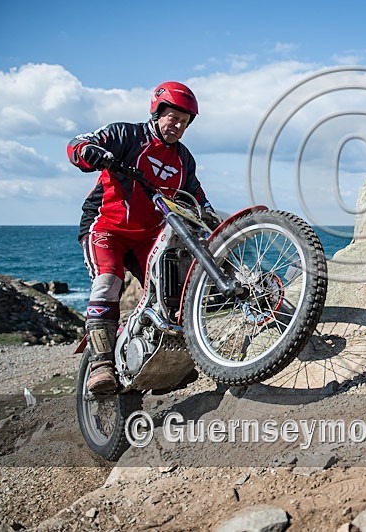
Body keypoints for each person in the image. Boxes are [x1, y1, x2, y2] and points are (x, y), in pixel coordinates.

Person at [67, 81, 220, 393]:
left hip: (148, 237)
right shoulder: (127, 134)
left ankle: (161, 362)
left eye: (184, 121)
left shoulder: (183, 159)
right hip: (105, 228)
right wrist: (88, 152)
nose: (177, 125)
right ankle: (101, 364)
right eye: (172, 117)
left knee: (172, 296)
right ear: (157, 111)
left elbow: (195, 193)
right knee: (108, 281)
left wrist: (209, 214)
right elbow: (78, 144)